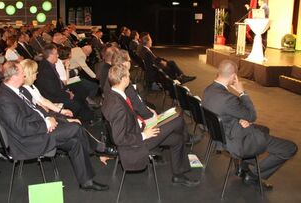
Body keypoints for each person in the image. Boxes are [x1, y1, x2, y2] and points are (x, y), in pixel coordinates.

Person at [0, 61, 109, 191]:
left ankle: (87, 182)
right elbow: (21, 129)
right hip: (28, 141)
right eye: (22, 74)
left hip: (38, 128)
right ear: (14, 77)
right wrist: (46, 123)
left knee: (75, 142)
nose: (24, 76)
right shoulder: (5, 99)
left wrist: (48, 117)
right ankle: (99, 150)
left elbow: (36, 108)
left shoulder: (17, 90)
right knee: (75, 128)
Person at [203, 60, 297, 190]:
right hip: (235, 143)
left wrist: (239, 120)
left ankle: (244, 167)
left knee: (264, 129)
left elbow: (224, 114)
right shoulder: (229, 99)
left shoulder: (208, 90)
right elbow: (252, 116)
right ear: (233, 76)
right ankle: (253, 176)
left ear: (219, 72)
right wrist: (242, 93)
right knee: (290, 148)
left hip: (220, 136)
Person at [102, 64, 200, 187]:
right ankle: (188, 139)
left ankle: (178, 175)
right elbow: (120, 138)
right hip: (136, 144)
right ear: (123, 79)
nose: (130, 77)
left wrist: (145, 124)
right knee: (178, 119)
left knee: (177, 138)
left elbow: (127, 121)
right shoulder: (118, 105)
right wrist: (144, 134)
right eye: (128, 75)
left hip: (139, 129)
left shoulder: (113, 94)